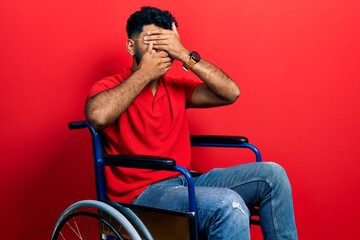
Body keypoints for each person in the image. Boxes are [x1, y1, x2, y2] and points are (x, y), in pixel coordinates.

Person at [85, 6, 297, 239]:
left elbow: (231, 93)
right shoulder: (111, 85)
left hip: (185, 181)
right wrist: (145, 74)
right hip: (142, 194)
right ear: (131, 46)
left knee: (273, 175)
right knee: (229, 204)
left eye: (166, 43)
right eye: (152, 41)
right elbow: (97, 116)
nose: (160, 50)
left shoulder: (177, 87)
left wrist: (186, 54)